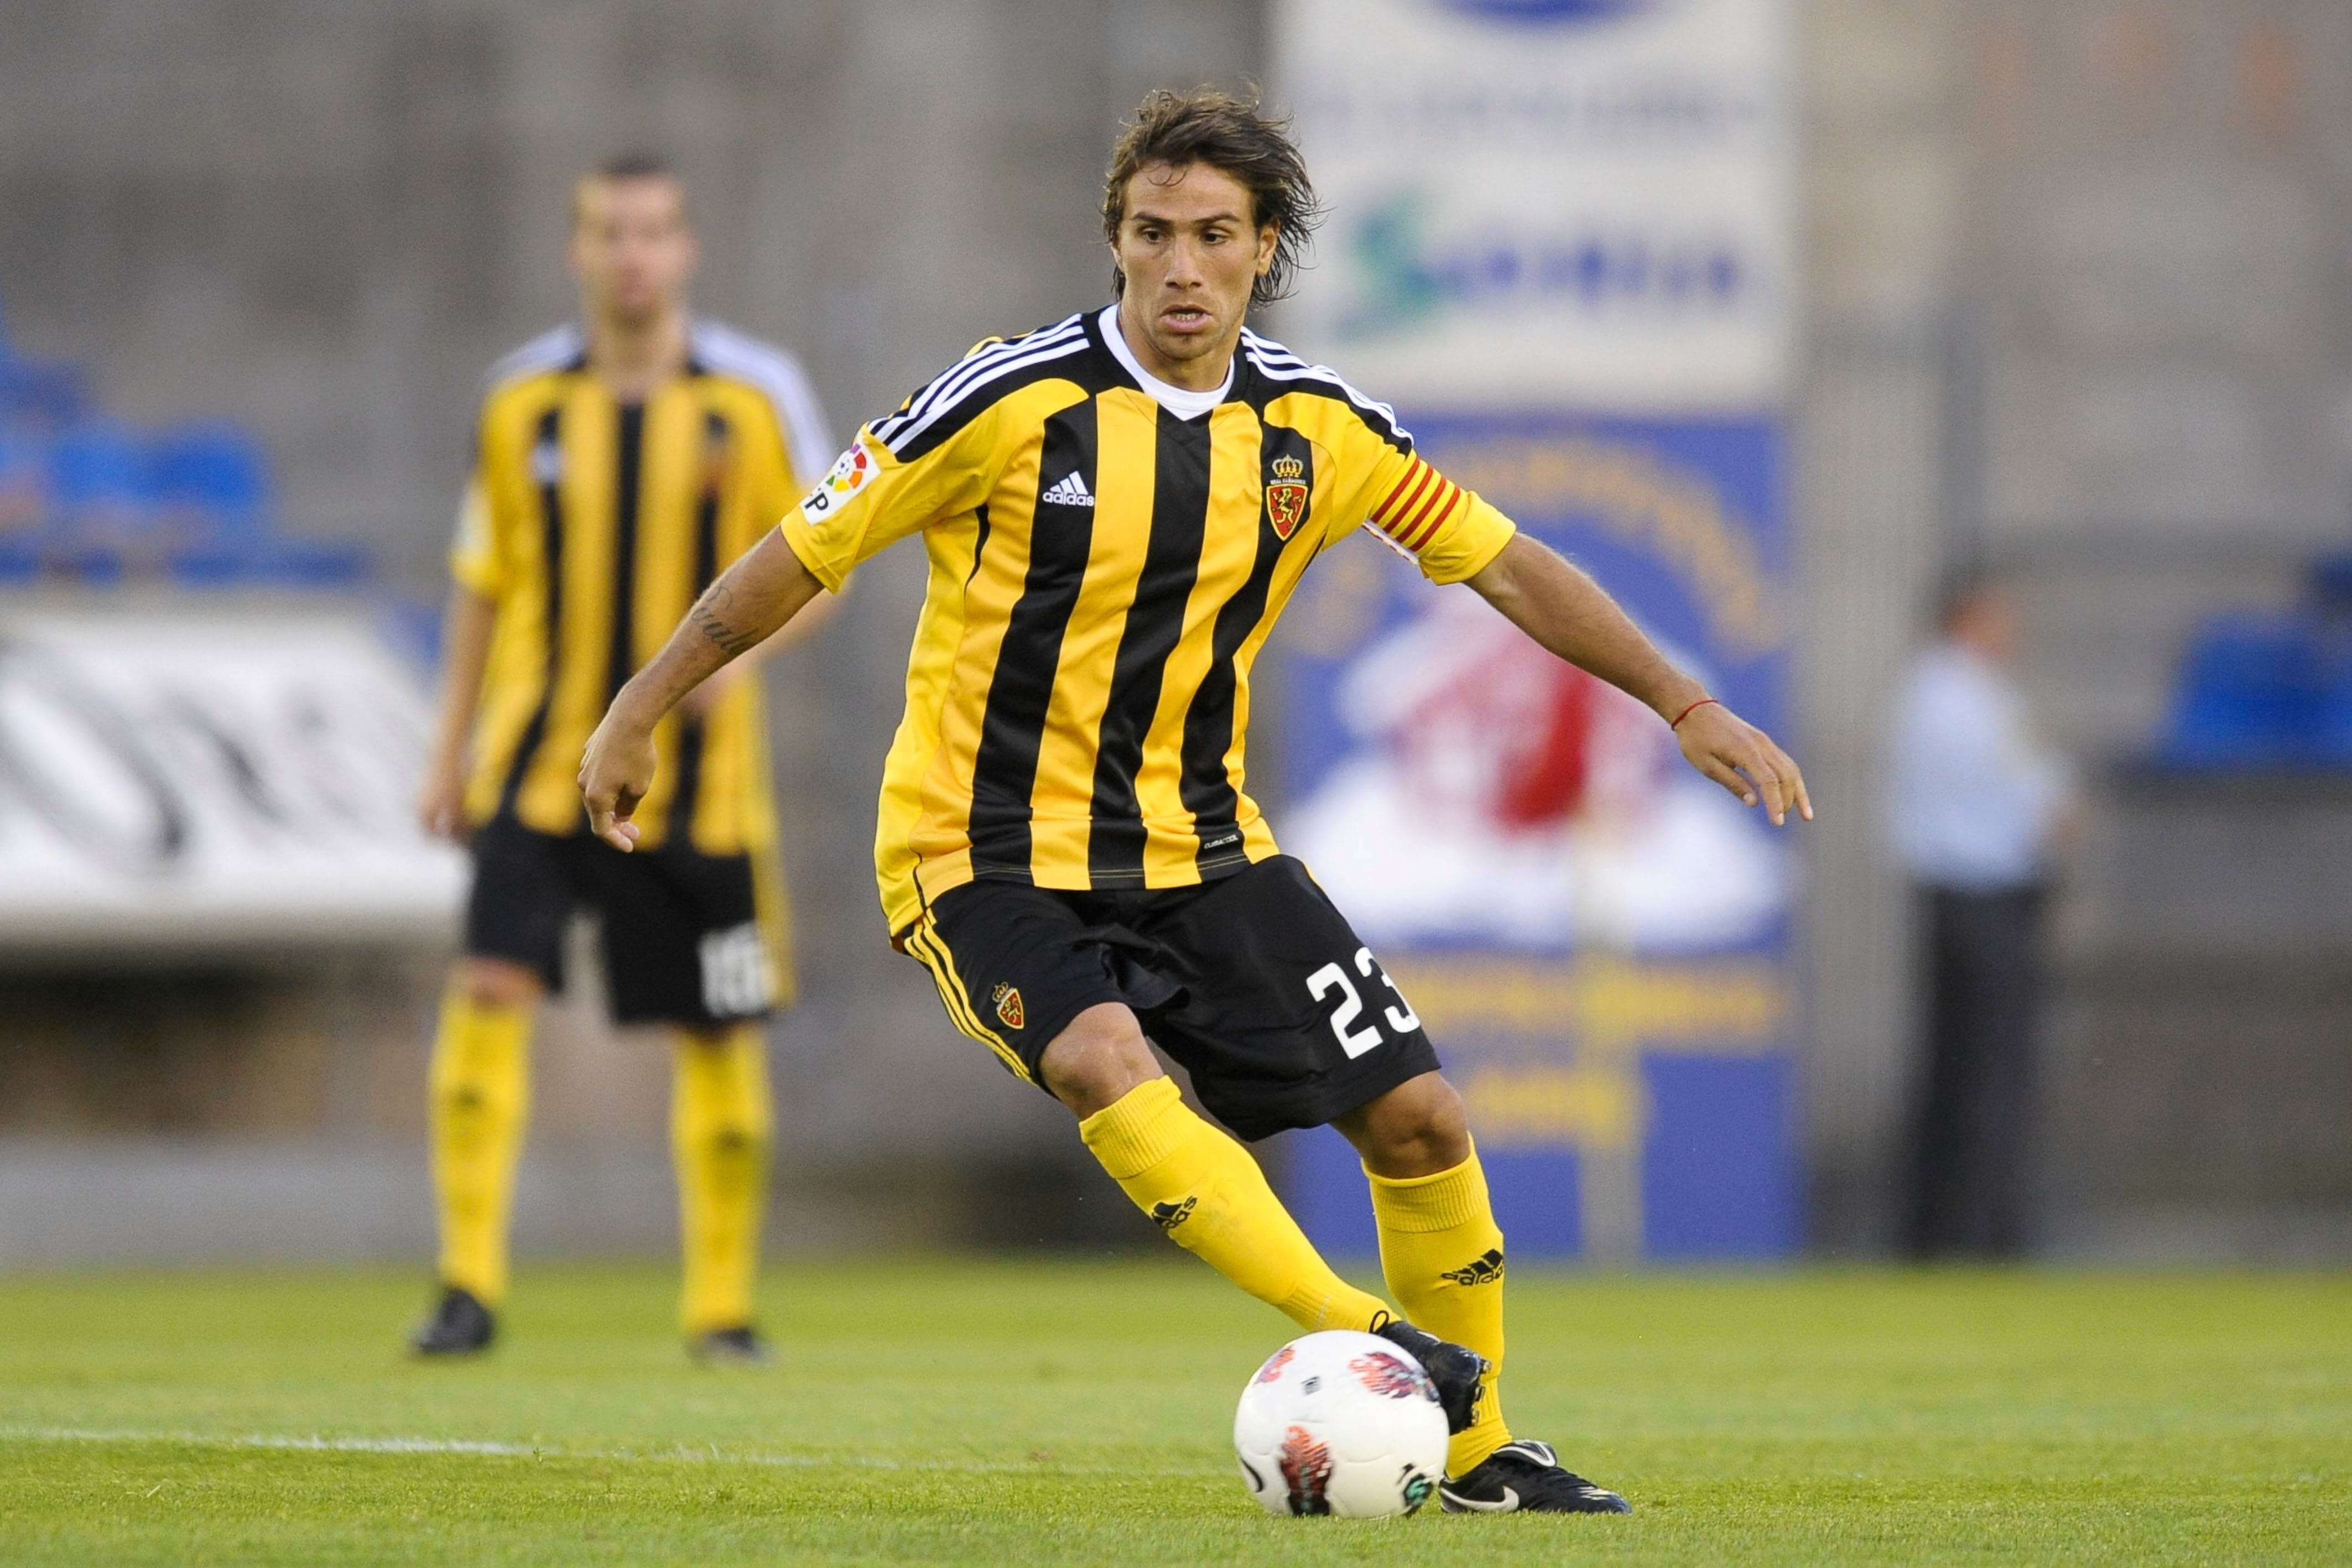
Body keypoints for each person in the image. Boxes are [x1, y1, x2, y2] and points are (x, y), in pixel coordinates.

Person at [581, 92, 1809, 1510]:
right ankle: (1370, 1342)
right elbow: (803, 550)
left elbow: (1507, 564)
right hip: (975, 853)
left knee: (1421, 1121)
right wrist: (639, 705)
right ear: (1112, 239)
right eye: (1152, 233)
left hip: (1203, 846)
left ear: (1263, 251)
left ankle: (1477, 1455)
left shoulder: (1319, 428)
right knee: (1107, 1061)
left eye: (1213, 237)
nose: (1179, 265)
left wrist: (1683, 700)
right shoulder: (1006, 400)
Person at [409, 153, 835, 1362]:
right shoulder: (518, 404)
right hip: (533, 771)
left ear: (685, 248)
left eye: (651, 231)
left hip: (704, 792)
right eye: (609, 232)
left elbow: (823, 562)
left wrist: (736, 665)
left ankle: (719, 1306)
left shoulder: (754, 399)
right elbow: (480, 585)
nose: (631, 254)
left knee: (718, 1028)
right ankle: (467, 1284)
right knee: (489, 989)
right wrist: (446, 753)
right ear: (577, 251)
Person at [1888, 569, 2072, 1259]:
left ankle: (1946, 1231)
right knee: (1988, 1074)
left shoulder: (1932, 694)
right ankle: (1980, 1235)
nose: (2011, 632)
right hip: (1982, 897)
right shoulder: (1963, 698)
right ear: (1967, 619)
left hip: (1953, 898)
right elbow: (2035, 795)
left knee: (1957, 1071)